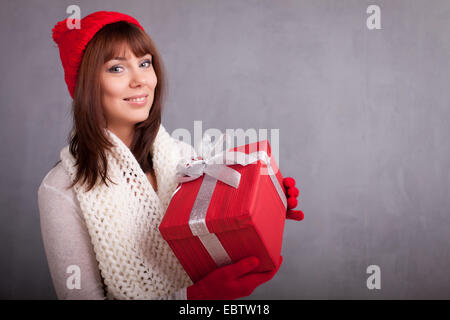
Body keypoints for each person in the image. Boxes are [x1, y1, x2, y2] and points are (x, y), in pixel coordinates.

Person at [38, 10, 304, 300]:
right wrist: (191, 299)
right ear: (86, 86)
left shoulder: (185, 158)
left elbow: (213, 239)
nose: (140, 80)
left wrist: (263, 208)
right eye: (117, 68)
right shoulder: (61, 189)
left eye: (144, 63)